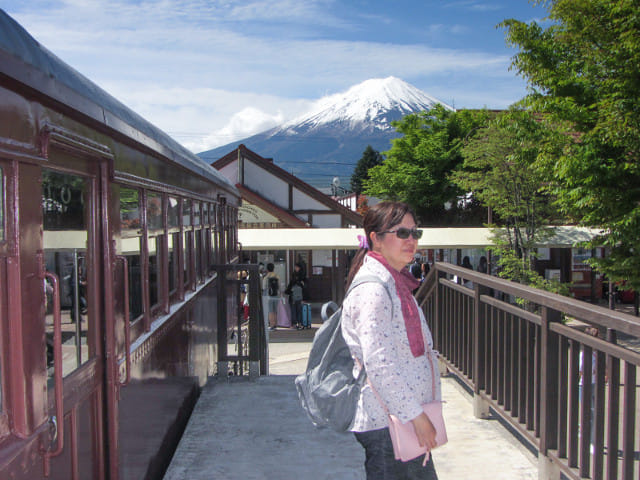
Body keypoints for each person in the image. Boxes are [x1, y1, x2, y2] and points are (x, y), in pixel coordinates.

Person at [342, 201, 441, 479]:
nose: (411, 240)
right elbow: (379, 363)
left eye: (415, 233)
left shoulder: (395, 280)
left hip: (398, 417)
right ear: (376, 238)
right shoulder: (374, 288)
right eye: (401, 233)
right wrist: (417, 417)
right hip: (388, 420)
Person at [285, 263, 306, 330]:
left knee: (294, 310)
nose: (295, 268)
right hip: (300, 297)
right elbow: (304, 287)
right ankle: (299, 324)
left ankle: (294, 324)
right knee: (299, 310)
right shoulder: (303, 277)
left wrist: (287, 291)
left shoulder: (295, 276)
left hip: (293, 296)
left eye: (296, 267)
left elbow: (290, 285)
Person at [262, 263, 280, 330]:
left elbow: (263, 287)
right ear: (273, 268)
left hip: (269, 296)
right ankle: (275, 324)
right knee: (275, 310)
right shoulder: (276, 276)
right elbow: (279, 287)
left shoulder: (266, 277)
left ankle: (272, 325)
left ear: (267, 269)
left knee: (270, 311)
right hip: (276, 295)